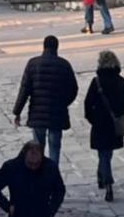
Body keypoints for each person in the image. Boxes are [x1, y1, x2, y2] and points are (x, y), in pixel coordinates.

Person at [12, 35, 78, 167]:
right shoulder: (64, 65)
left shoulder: (33, 64)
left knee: (38, 148)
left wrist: (17, 112)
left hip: (38, 113)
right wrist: (63, 103)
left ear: (44, 47)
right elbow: (73, 89)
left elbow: (24, 90)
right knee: (55, 147)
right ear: (57, 47)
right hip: (57, 113)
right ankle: (52, 174)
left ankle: (40, 174)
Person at [83, 49, 124, 202]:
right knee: (107, 153)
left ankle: (107, 181)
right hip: (114, 123)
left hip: (99, 123)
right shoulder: (121, 81)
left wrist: (92, 119)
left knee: (103, 153)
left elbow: (87, 103)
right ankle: (103, 176)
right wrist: (122, 116)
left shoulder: (96, 82)